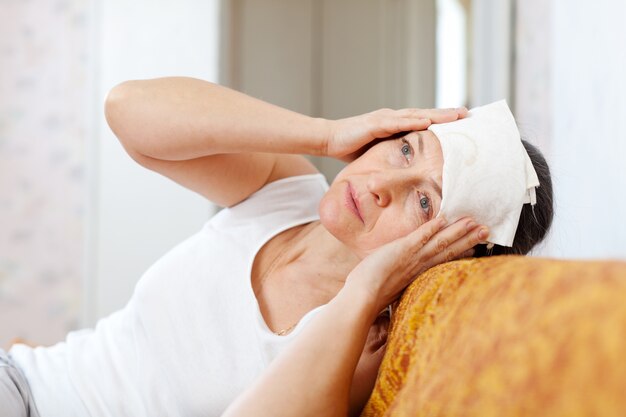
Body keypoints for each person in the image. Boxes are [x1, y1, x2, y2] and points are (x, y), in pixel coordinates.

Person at [0, 77, 553, 417]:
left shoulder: (365, 342)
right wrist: (325, 134)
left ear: (445, 249)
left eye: (426, 203)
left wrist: (360, 293)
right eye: (406, 151)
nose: (382, 183)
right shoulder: (284, 194)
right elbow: (128, 109)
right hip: (24, 380)